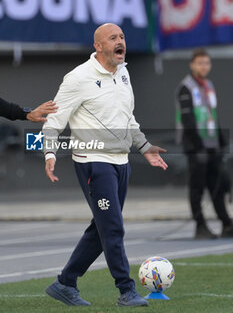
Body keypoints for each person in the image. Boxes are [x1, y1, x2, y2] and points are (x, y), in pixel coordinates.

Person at [43, 23, 168, 307]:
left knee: (102, 228)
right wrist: (49, 154)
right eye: (113, 38)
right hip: (93, 162)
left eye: (122, 37)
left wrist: (144, 147)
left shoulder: (124, 73)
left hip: (120, 162)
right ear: (98, 46)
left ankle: (66, 282)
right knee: (112, 228)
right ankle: (127, 290)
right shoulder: (77, 78)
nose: (120, 41)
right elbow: (53, 122)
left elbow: (128, 118)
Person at [176, 48, 233, 239]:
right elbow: (188, 120)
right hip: (196, 146)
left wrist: (222, 141)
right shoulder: (186, 87)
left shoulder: (209, 85)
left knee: (218, 185)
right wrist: (198, 145)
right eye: (200, 63)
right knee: (197, 187)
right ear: (192, 65)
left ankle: (226, 223)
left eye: (207, 63)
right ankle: (200, 225)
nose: (204, 66)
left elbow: (212, 116)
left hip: (212, 145)